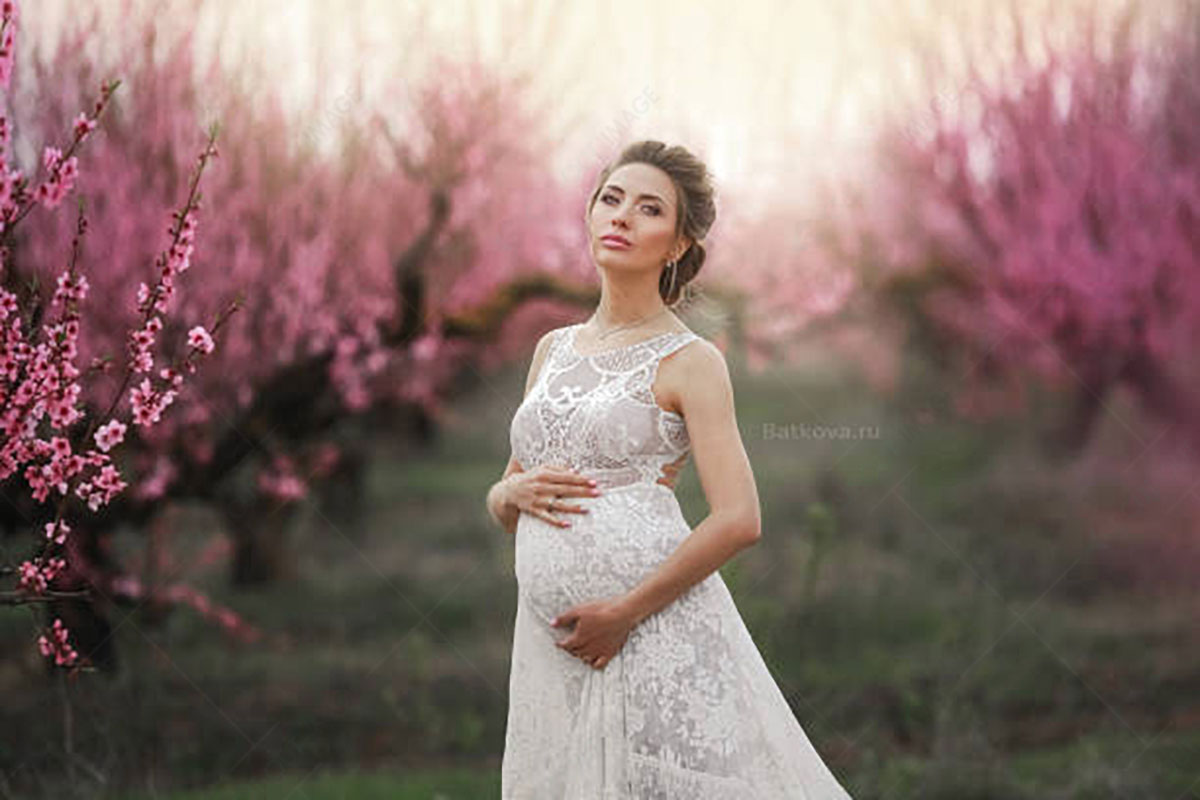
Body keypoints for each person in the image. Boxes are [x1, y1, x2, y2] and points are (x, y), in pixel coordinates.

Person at [486, 140, 854, 798]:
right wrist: (507, 489)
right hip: (550, 641)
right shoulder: (551, 349)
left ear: (678, 244)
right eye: (611, 198)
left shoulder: (690, 361)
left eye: (649, 209)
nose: (622, 216)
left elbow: (740, 519)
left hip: (647, 626)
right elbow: (507, 499)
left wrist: (625, 612)